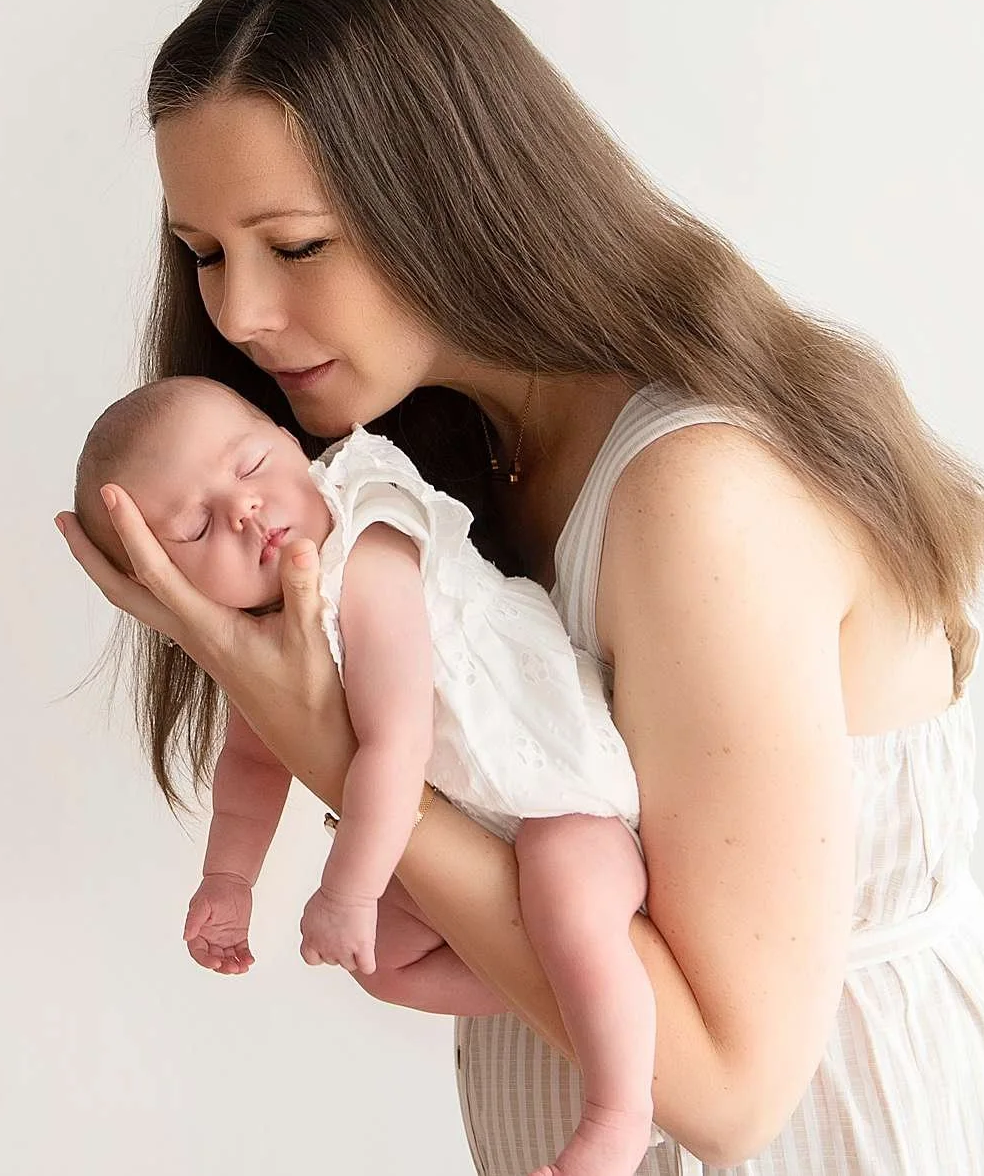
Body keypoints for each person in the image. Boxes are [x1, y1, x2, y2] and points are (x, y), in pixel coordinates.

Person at [53, 0, 984, 1174]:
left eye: (295, 245)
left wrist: (330, 733)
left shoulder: (692, 495)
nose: (235, 315)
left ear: (442, 201)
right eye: (205, 254)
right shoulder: (436, 473)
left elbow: (727, 1096)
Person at [72, 374, 656, 1176]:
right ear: (164, 586)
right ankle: (574, 992)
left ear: (289, 439)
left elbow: (396, 742)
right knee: (383, 962)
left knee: (565, 892)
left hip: (564, 794)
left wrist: (344, 892)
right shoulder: (267, 639)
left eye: (251, 464)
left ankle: (619, 1114)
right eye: (198, 525)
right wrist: (228, 879)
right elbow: (250, 759)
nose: (244, 511)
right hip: (465, 826)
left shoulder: (366, 539)